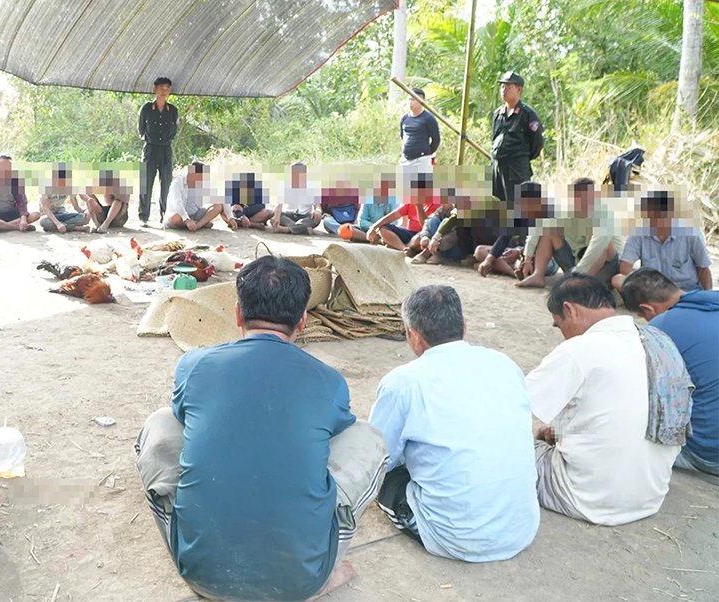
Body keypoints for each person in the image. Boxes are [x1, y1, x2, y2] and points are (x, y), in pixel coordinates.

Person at [135, 255, 387, 600]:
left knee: (161, 422)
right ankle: (325, 562)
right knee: (365, 434)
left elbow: (184, 420)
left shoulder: (194, 364)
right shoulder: (329, 381)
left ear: (238, 314)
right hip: (301, 583)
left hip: (203, 576)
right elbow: (334, 436)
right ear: (303, 320)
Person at [369, 285, 539, 561]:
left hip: (456, 537)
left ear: (413, 335)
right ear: (464, 326)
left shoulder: (403, 382)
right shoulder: (505, 364)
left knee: (377, 471)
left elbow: (379, 458)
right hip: (520, 528)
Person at [527, 274, 684, 525]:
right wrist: (559, 429)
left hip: (583, 498)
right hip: (649, 497)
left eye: (559, 324)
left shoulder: (578, 349)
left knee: (511, 444)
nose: (563, 334)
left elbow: (512, 407)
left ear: (569, 310)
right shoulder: (661, 343)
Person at [621, 269, 719, 478]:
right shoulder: (712, 301)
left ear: (647, 308)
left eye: (643, 316)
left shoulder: (662, 326)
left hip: (709, 456)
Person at [516, 178, 622, 289]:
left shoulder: (606, 213)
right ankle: (538, 275)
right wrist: (527, 260)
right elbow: (539, 227)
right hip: (576, 264)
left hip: (606, 269)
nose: (584, 202)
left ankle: (579, 283)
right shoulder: (566, 211)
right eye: (579, 197)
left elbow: (598, 244)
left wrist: (578, 273)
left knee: (606, 245)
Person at [611, 190, 712, 293]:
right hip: (653, 290)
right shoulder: (638, 233)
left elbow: (703, 268)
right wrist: (649, 281)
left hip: (686, 290)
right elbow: (625, 268)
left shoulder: (691, 232)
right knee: (618, 279)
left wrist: (708, 295)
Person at [474, 181, 551, 278]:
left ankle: (502, 266)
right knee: (480, 251)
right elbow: (504, 239)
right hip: (520, 251)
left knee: (523, 264)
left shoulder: (548, 217)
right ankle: (511, 272)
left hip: (541, 258)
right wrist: (488, 260)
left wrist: (519, 253)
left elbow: (545, 249)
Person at [490, 72, 543, 203]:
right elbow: (494, 138)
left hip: (516, 168)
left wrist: (521, 157)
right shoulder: (498, 114)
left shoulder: (528, 114)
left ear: (519, 89)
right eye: (502, 86)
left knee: (517, 204)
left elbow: (537, 142)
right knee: (497, 203)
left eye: (508, 87)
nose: (504, 90)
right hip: (498, 166)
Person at [138, 76, 179, 226]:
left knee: (166, 183)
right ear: (154, 89)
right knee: (145, 182)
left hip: (166, 149)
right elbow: (141, 128)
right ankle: (143, 217)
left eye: (167, 89)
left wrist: (166, 140)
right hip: (150, 148)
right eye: (161, 88)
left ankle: (164, 216)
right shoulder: (147, 108)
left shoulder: (172, 110)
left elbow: (174, 129)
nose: (164, 91)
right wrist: (149, 139)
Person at [366, 175, 441, 251]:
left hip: (423, 234)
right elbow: (393, 216)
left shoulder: (436, 204)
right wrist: (373, 227)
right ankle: (404, 248)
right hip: (408, 233)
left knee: (422, 238)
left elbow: (427, 227)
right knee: (383, 228)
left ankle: (402, 246)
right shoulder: (410, 201)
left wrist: (419, 207)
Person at [0, 154, 41, 232]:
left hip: (12, 213)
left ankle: (2, 227)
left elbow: (22, 202)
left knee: (36, 214)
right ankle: (15, 227)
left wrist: (23, 218)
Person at [165, 161, 230, 231]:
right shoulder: (177, 183)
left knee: (218, 206)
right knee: (175, 218)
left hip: (196, 214)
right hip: (180, 217)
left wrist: (231, 218)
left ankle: (198, 225)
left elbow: (220, 197)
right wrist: (187, 220)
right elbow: (177, 204)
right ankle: (194, 223)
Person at [337, 174, 396, 244]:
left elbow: (395, 222)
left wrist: (380, 229)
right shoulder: (368, 199)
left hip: (385, 230)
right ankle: (375, 239)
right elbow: (361, 220)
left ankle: (379, 239)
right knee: (344, 230)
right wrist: (373, 228)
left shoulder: (394, 201)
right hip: (368, 229)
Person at [272, 162, 322, 235]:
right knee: (274, 213)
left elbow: (318, 206)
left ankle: (286, 229)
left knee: (315, 218)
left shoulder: (312, 187)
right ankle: (302, 229)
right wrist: (276, 216)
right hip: (288, 215)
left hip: (304, 216)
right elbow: (279, 204)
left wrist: (317, 211)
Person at [399, 88, 440, 175]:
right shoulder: (404, 118)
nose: (410, 102)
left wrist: (426, 153)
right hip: (405, 159)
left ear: (421, 101)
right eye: (409, 99)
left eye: (413, 100)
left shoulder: (428, 118)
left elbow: (436, 139)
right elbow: (402, 136)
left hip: (421, 160)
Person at [39, 163, 89, 233]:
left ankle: (56, 227)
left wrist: (84, 213)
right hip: (48, 215)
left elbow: (76, 206)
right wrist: (57, 223)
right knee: (44, 222)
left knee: (84, 218)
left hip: (62, 213)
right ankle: (74, 227)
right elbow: (46, 208)